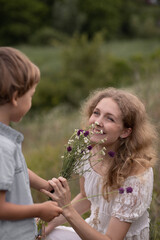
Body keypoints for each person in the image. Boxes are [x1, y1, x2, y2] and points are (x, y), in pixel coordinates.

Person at [42, 87, 157, 240]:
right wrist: (47, 225)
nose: (97, 122)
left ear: (125, 132)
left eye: (110, 118)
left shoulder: (136, 175)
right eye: (96, 113)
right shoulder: (89, 150)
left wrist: (67, 209)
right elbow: (85, 197)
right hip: (92, 230)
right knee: (39, 233)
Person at [0, 47, 62, 240]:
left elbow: (15, 171)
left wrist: (48, 186)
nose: (31, 101)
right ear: (16, 97)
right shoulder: (3, 146)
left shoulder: (5, 140)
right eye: (31, 95)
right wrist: (40, 209)